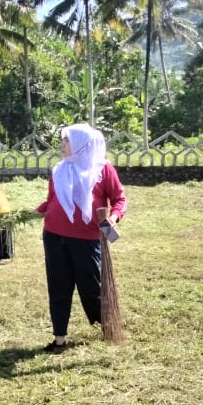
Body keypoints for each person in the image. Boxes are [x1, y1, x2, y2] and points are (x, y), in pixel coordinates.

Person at [37, 124, 127, 353]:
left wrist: (114, 218)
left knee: (91, 287)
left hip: (86, 239)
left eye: (66, 141)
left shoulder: (102, 169)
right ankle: (59, 339)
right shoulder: (59, 169)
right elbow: (51, 200)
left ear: (80, 144)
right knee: (58, 286)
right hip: (54, 236)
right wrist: (28, 213)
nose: (62, 146)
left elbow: (119, 199)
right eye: (63, 141)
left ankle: (107, 326)